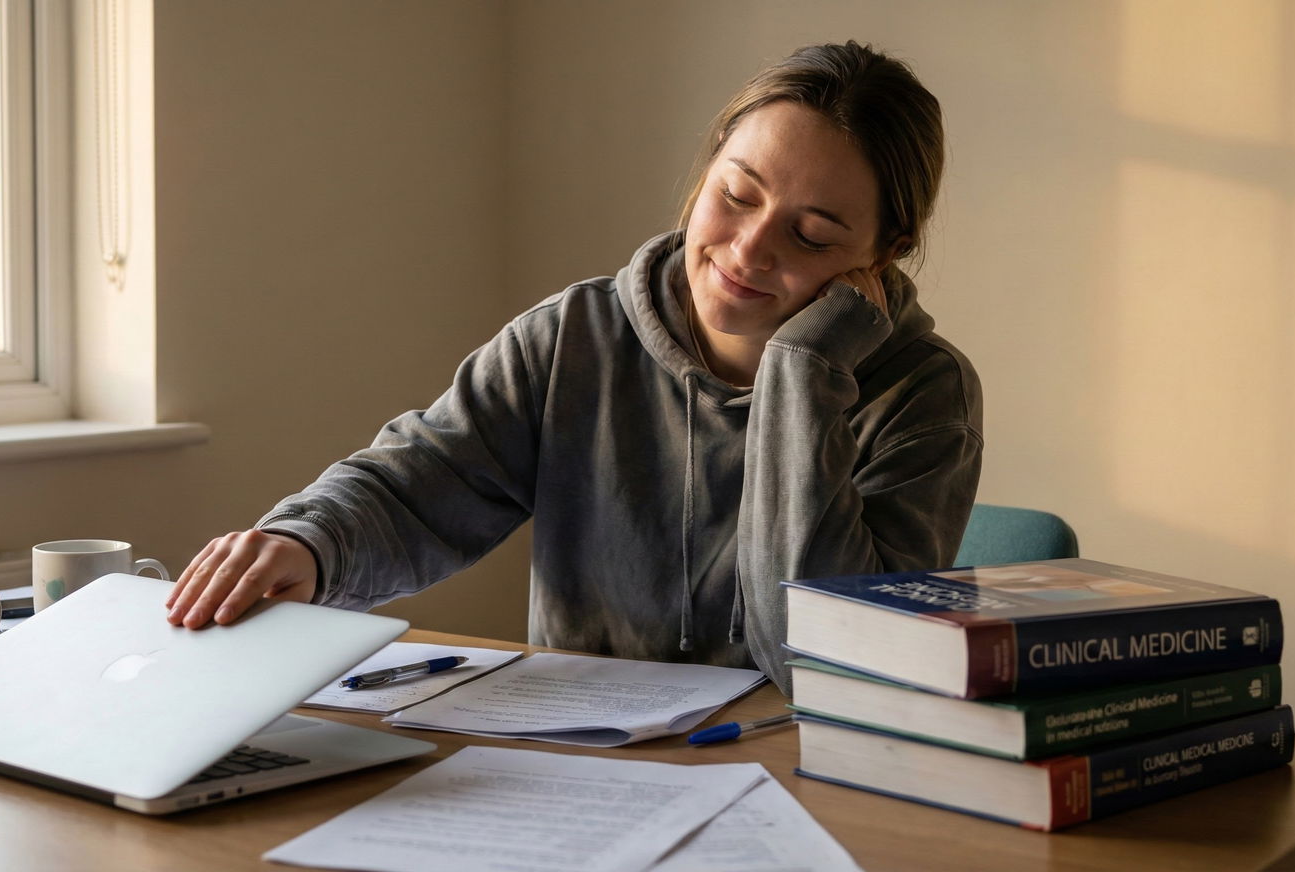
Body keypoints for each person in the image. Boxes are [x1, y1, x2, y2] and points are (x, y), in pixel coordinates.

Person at [165, 41, 982, 694]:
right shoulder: (573, 339)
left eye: (812, 236)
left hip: (806, 788)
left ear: (884, 254)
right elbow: (418, 484)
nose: (748, 249)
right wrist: (305, 545)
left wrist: (804, 373)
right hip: (585, 771)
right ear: (703, 176)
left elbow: (825, 660)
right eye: (736, 194)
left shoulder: (923, 395)